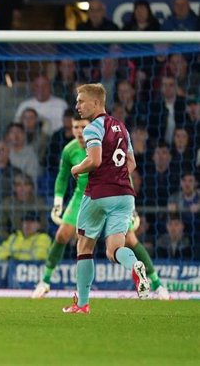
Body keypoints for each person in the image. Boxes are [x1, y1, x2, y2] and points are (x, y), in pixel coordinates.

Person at [32, 115, 169, 299]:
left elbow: (122, 174)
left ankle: (158, 285)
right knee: (63, 234)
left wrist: (133, 210)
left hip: (108, 194)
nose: (79, 131)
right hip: (83, 196)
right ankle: (45, 281)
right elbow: (62, 177)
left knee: (129, 239)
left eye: (82, 127)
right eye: (75, 127)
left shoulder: (103, 148)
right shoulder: (69, 150)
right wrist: (58, 202)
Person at [62, 83, 150, 314]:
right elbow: (131, 163)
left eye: (81, 101)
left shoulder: (93, 128)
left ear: (96, 103)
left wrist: (76, 169)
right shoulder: (121, 128)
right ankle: (135, 265)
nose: (77, 105)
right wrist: (117, 176)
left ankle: (82, 303)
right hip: (124, 196)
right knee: (114, 250)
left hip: (99, 194)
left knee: (84, 246)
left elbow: (95, 160)